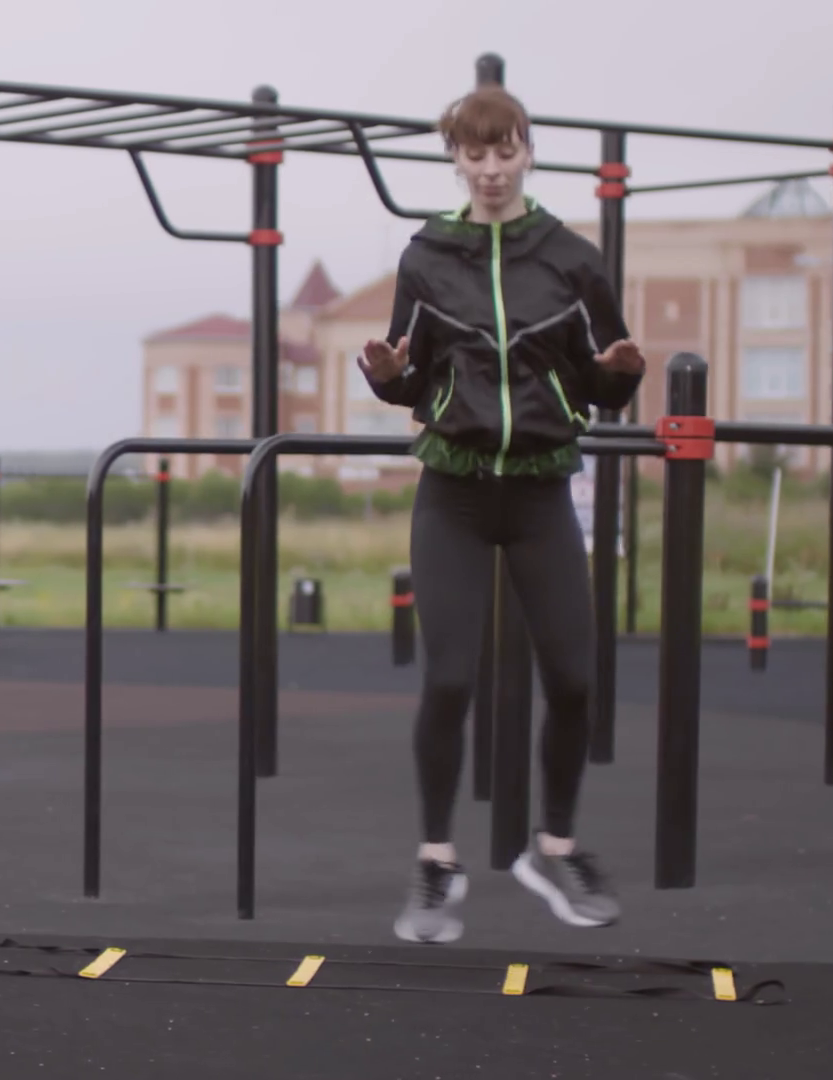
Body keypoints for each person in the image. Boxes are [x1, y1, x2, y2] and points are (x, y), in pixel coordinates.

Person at [358, 84, 646, 944]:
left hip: (540, 490)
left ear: (528, 150)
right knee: (449, 679)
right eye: (473, 154)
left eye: (503, 151)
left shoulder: (573, 258)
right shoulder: (426, 256)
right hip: (452, 491)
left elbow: (602, 385)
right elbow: (413, 383)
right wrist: (382, 374)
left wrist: (623, 373)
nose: (489, 169)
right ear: (456, 158)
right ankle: (437, 864)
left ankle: (552, 848)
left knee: (576, 679)